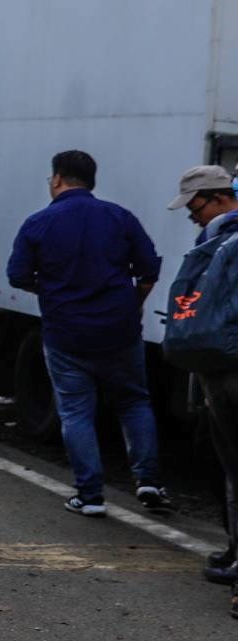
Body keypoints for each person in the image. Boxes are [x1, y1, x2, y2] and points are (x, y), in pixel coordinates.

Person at [7, 149, 169, 517]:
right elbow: (148, 270)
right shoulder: (119, 217)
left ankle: (90, 495)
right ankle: (149, 482)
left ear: (58, 179)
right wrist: (133, 303)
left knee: (77, 412)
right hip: (119, 329)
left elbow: (17, 275)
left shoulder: (38, 223)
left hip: (65, 334)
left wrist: (53, 291)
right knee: (133, 403)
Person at [165, 165, 238, 610]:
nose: (191, 214)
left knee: (233, 470)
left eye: (194, 204)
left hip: (222, 369)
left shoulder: (217, 239)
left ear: (216, 197)